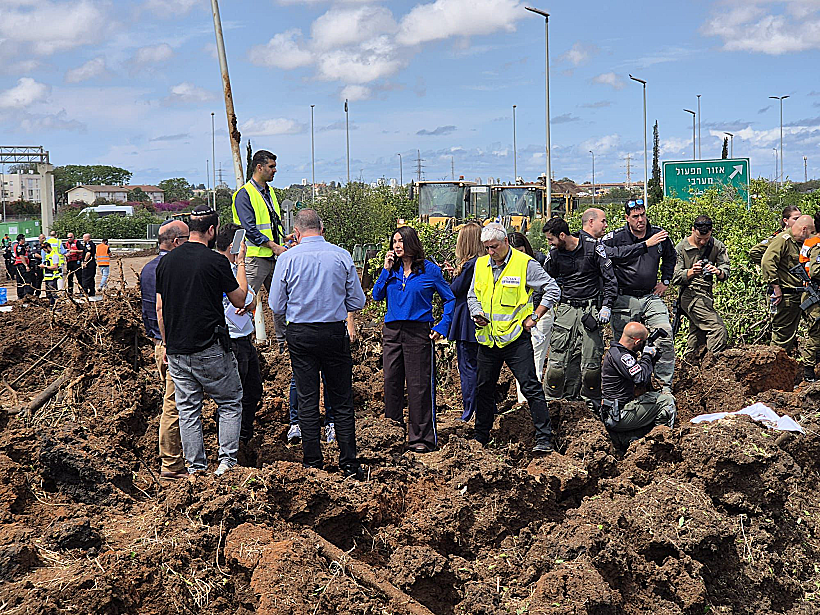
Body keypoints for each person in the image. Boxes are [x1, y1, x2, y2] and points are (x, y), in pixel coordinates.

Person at [269, 209, 367, 478]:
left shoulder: (287, 258)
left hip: (301, 333)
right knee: (342, 399)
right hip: (334, 332)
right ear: (322, 230)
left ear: (296, 232)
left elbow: (276, 304)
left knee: (307, 397)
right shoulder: (341, 255)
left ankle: (313, 462)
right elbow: (357, 301)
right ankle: (349, 463)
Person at [156, 208, 247, 477]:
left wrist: (166, 343)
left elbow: (160, 308)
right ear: (211, 230)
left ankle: (196, 469)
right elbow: (240, 299)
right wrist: (241, 262)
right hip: (210, 347)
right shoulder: (215, 261)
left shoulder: (166, 262)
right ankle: (226, 464)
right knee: (229, 402)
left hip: (177, 349)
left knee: (187, 410)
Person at [468, 223, 561, 453]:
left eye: (494, 246)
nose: (491, 252)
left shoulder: (524, 264)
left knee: (530, 386)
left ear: (506, 242)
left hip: (515, 338)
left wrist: (535, 316)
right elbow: (472, 295)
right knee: (483, 388)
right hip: (488, 339)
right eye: (487, 247)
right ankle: (481, 436)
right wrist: (476, 312)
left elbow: (553, 289)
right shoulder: (480, 265)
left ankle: (544, 438)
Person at [372, 226, 455, 452]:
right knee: (391, 382)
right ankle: (392, 434)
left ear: (411, 243)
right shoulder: (392, 270)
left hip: (418, 331)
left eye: (401, 241)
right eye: (394, 241)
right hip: (392, 331)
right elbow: (377, 295)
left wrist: (443, 325)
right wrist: (385, 270)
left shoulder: (430, 270)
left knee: (419, 385)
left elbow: (449, 299)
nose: (397, 245)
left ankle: (421, 439)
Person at [542, 215, 618, 412]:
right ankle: (551, 404)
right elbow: (544, 280)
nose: (549, 243)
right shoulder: (555, 255)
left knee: (591, 367)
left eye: (551, 239)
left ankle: (591, 406)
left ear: (562, 235)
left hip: (590, 309)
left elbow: (610, 280)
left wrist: (607, 306)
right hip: (566, 309)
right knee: (556, 367)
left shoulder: (593, 248)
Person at [603, 199, 676, 391]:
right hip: (624, 297)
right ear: (627, 218)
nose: (640, 220)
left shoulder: (658, 234)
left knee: (664, 333)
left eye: (643, 215)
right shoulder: (616, 237)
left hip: (650, 296)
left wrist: (665, 281)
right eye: (635, 216)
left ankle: (663, 384)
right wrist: (644, 245)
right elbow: (603, 253)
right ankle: (629, 385)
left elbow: (671, 257)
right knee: (626, 344)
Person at [139, 219, 189, 479]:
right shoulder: (172, 268)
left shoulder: (148, 268)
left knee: (175, 403)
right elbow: (163, 310)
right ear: (176, 241)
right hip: (172, 346)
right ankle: (171, 465)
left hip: (159, 344)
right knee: (174, 406)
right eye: (188, 239)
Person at [232, 149, 289, 350]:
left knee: (281, 301)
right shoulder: (244, 194)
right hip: (254, 259)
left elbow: (271, 223)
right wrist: (274, 246)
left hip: (272, 257)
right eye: (271, 167)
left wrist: (283, 238)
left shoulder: (270, 192)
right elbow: (250, 229)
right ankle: (239, 343)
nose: (275, 170)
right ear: (259, 167)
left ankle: (284, 345)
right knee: (243, 302)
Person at [215, 223, 263, 444]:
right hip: (231, 340)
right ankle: (230, 441)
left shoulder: (236, 269)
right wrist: (243, 300)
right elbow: (242, 299)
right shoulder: (220, 268)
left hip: (244, 338)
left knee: (253, 390)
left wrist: (246, 301)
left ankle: (244, 436)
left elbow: (251, 299)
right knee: (234, 395)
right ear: (233, 245)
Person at [601, 321, 677, 451]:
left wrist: (651, 359)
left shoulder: (618, 352)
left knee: (651, 396)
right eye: (643, 342)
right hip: (618, 415)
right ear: (636, 341)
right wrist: (647, 355)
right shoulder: (622, 356)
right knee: (666, 401)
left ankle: (630, 437)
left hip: (616, 412)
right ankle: (661, 442)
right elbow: (640, 379)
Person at [286, 313, 356, 444]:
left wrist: (350, 321)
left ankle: (329, 423)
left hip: (320, 328)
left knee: (327, 377)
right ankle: (297, 423)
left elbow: (277, 306)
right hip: (307, 327)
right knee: (301, 380)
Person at [761, 214, 816, 376]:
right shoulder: (783, 240)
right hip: (787, 296)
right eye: (811, 232)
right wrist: (775, 287)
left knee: (814, 330)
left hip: (804, 294)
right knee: (782, 337)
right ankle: (773, 373)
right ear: (804, 229)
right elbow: (767, 262)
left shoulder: (801, 243)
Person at [671, 215, 731, 353]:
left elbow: (725, 269)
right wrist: (691, 272)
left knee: (698, 333)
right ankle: (712, 361)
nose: (703, 242)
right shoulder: (681, 248)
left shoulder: (716, 246)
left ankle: (691, 360)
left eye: (706, 238)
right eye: (699, 238)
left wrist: (718, 271)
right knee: (717, 329)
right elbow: (674, 277)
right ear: (693, 230)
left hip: (706, 294)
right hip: (689, 294)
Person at [445, 222, 486, 421]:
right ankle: (486, 407)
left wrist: (450, 278)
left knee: (468, 367)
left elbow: (454, 290)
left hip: (465, 322)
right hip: (481, 320)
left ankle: (470, 410)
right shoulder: (484, 262)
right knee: (482, 367)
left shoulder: (469, 265)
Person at [507, 232, 554, 404]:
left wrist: (535, 315)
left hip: (539, 315)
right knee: (522, 361)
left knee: (535, 361)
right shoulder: (506, 265)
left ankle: (530, 403)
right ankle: (526, 403)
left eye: (521, 251)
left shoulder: (538, 262)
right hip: (517, 317)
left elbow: (548, 290)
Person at [40, 241, 62, 306]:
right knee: (49, 294)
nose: (44, 251)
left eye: (45, 249)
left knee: (54, 294)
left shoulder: (54, 255)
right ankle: (51, 306)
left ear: (48, 247)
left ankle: (57, 306)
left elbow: (55, 267)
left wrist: (45, 266)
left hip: (53, 278)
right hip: (47, 278)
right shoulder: (48, 255)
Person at [11, 234, 31, 299]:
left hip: (20, 265)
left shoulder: (21, 247)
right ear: (21, 239)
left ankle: (22, 295)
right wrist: (26, 266)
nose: (24, 240)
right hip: (21, 266)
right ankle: (24, 295)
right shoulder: (20, 247)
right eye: (24, 239)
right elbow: (21, 256)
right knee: (25, 280)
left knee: (21, 281)